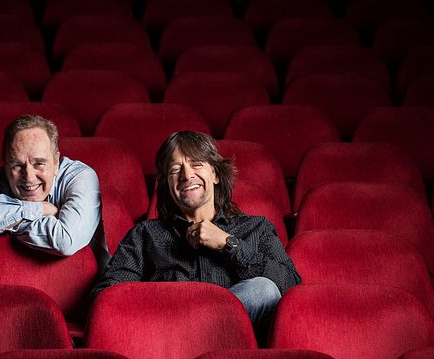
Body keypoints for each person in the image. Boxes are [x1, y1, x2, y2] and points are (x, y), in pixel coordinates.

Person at [92, 131, 301, 330]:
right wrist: (162, 302)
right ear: (167, 185)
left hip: (229, 347)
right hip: (168, 338)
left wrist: (228, 244)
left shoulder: (257, 228)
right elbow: (106, 298)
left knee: (263, 289)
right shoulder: (145, 235)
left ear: (216, 175)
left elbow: (292, 287)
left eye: (196, 164)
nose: (186, 175)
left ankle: (198, 331)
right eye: (175, 170)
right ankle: (189, 332)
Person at [0, 115, 109, 269]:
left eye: (39, 163)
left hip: (87, 286)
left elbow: (65, 241)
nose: (29, 178)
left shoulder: (80, 177)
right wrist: (41, 209)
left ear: (56, 162)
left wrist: (6, 221)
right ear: (5, 164)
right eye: (17, 165)